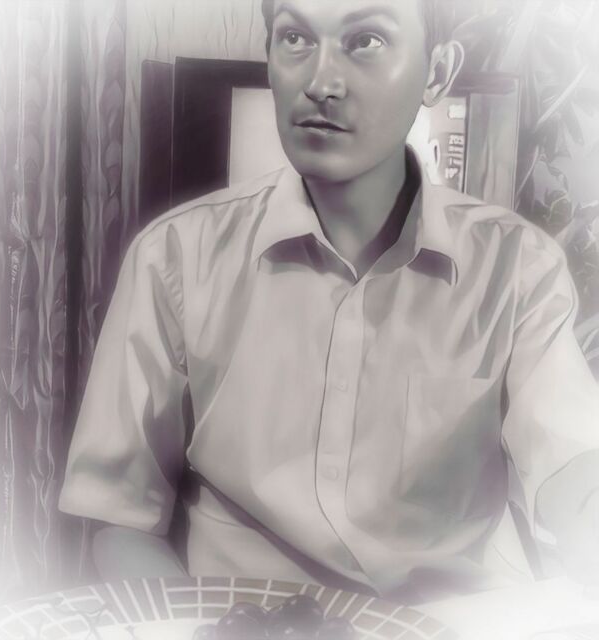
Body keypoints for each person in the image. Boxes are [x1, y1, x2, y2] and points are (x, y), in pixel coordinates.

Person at [59, 0, 599, 603]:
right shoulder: (174, 258)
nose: (320, 82)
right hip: (245, 622)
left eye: (366, 41)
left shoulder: (517, 266)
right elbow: (118, 518)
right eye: (294, 38)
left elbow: (572, 463)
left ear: (437, 72)